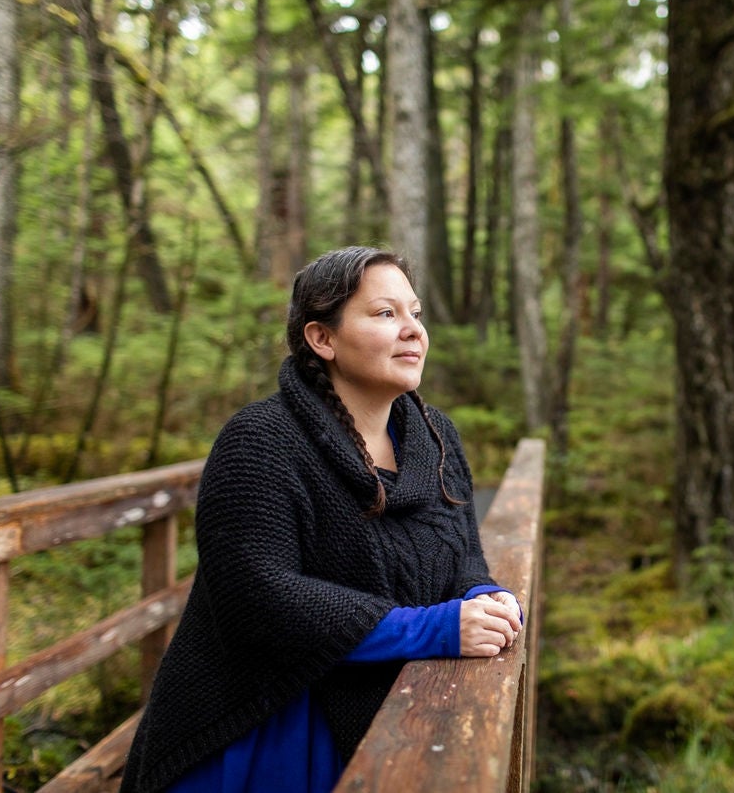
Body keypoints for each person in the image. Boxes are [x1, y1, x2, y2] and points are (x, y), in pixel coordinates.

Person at [119, 246, 523, 793]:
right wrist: (435, 628)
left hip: (382, 713)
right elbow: (258, 597)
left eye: (416, 313)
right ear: (322, 338)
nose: (413, 331)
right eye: (386, 314)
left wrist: (486, 595)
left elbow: (461, 555)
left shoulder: (435, 436)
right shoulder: (261, 441)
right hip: (263, 727)